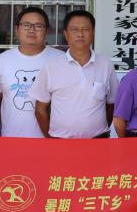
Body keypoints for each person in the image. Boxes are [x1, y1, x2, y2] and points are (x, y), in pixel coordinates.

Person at [31, 10, 119, 139]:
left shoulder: (106, 64)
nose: (80, 34)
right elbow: (40, 109)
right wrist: (50, 139)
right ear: (66, 34)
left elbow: (111, 104)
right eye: (75, 30)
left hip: (98, 141)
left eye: (85, 29)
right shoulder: (51, 66)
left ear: (93, 32)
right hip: (60, 141)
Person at [0, 6, 64, 139]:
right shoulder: (1, 61)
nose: (31, 30)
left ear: (46, 31)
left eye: (38, 26)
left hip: (52, 140)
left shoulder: (61, 59)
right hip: (13, 139)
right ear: (17, 30)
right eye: (26, 25)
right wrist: (8, 122)